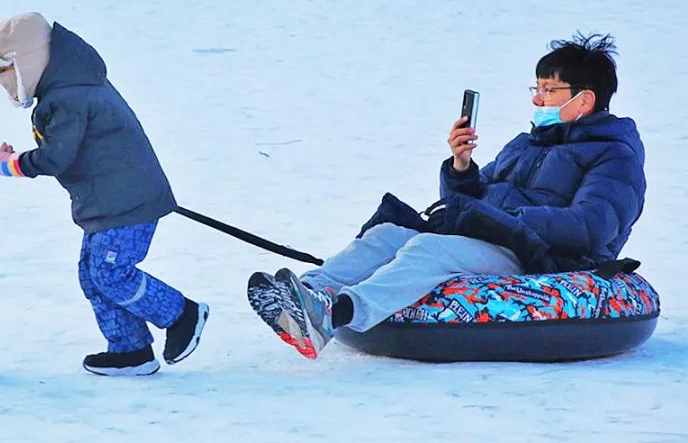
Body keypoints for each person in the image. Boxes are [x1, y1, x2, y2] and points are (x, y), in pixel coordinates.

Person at [248, 33, 645, 360]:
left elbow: (592, 227)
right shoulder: (526, 144)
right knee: (387, 236)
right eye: (536, 87)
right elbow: (475, 196)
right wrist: (461, 166)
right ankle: (304, 294)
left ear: (585, 99)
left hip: (538, 257)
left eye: (548, 89)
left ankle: (335, 315)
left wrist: (507, 218)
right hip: (495, 239)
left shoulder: (613, 155)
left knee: (430, 252)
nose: (536, 99)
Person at [0, 13, 209, 376]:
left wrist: (11, 165)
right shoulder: (69, 86)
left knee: (111, 273)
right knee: (93, 274)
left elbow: (56, 157)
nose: (1, 80)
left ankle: (181, 315)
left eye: (4, 70)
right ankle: (131, 350)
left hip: (127, 200)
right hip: (109, 200)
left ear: (26, 61)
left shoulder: (69, 97)